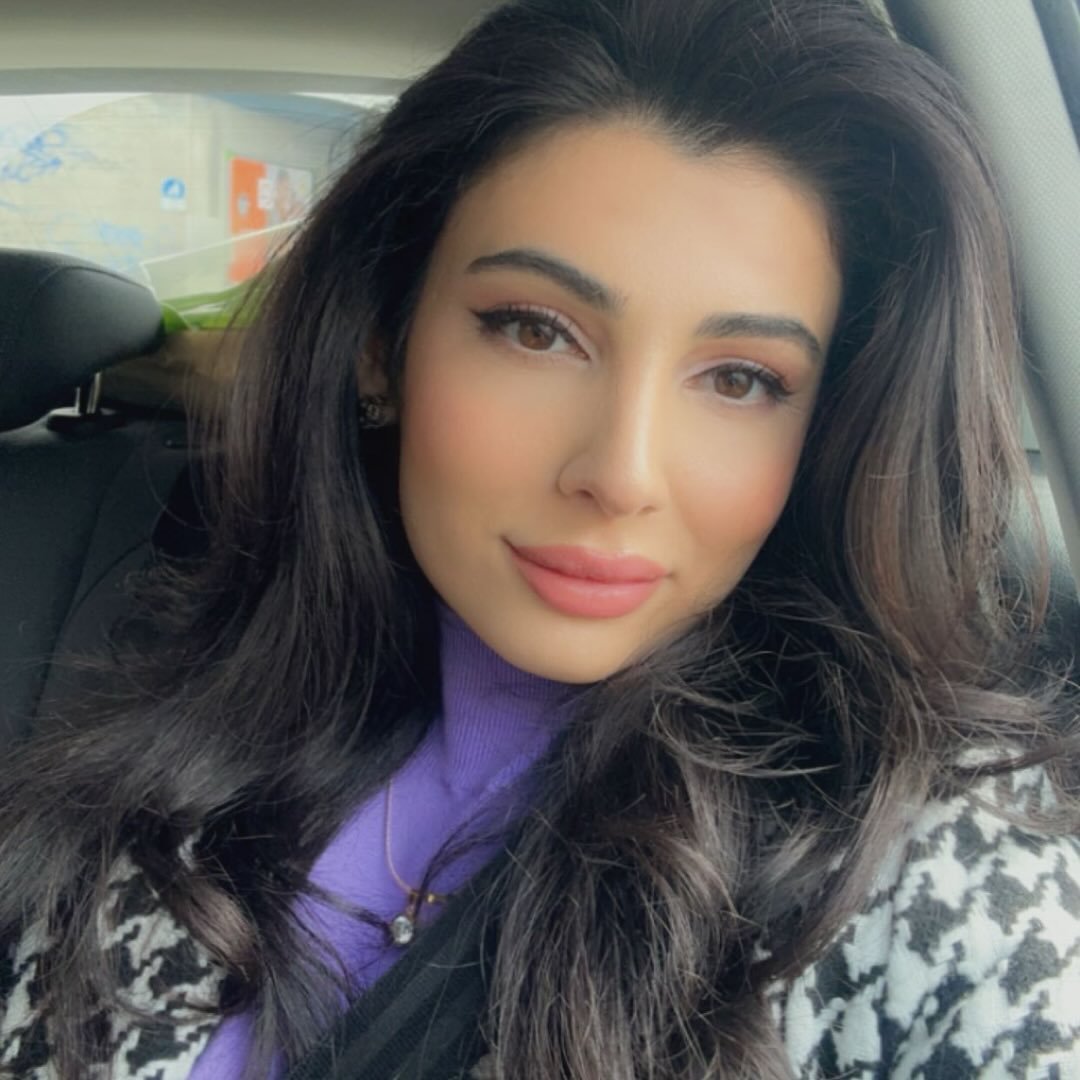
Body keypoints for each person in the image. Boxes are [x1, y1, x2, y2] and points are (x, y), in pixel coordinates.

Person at [2, 0, 1079, 1076]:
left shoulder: (945, 882)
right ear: (381, 343)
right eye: (536, 330)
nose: (621, 473)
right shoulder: (188, 729)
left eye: (742, 379)